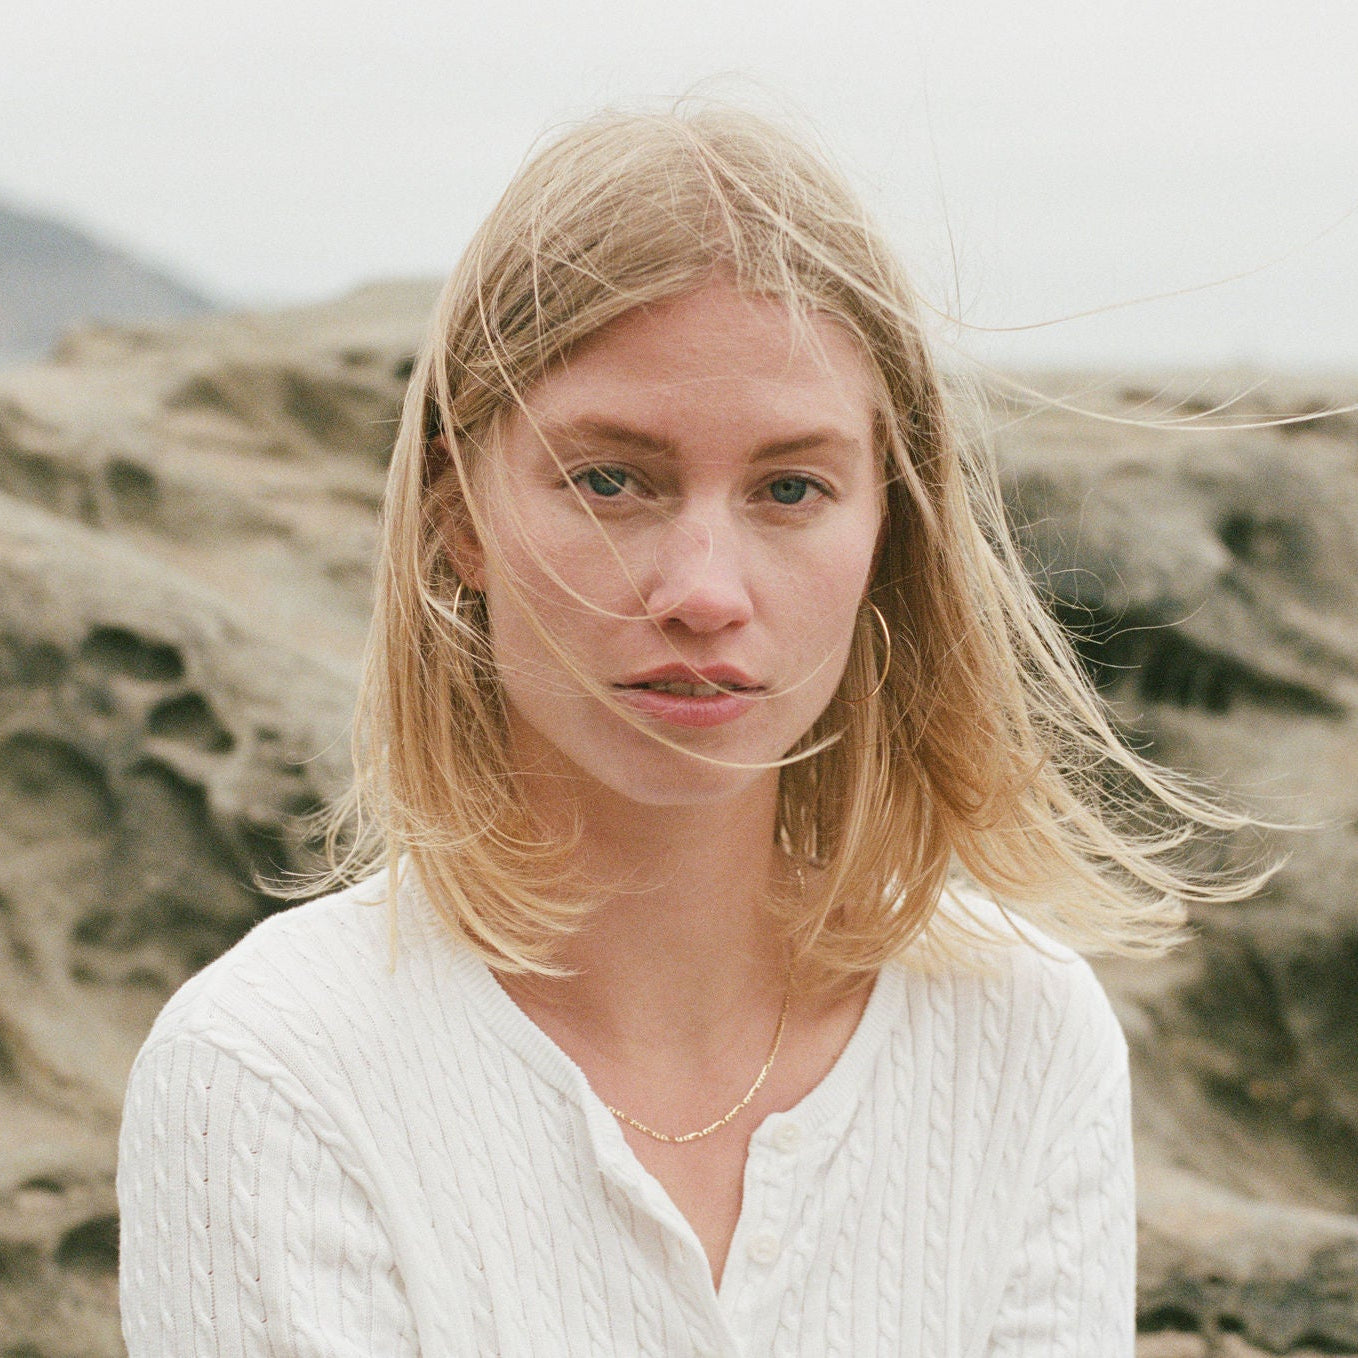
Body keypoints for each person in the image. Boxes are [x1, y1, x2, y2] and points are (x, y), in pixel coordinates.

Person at [116, 105, 1253, 1356]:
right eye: (610, 479)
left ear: (886, 525)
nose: (703, 590)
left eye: (788, 488)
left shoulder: (1022, 1036)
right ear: (458, 515)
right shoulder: (270, 1075)